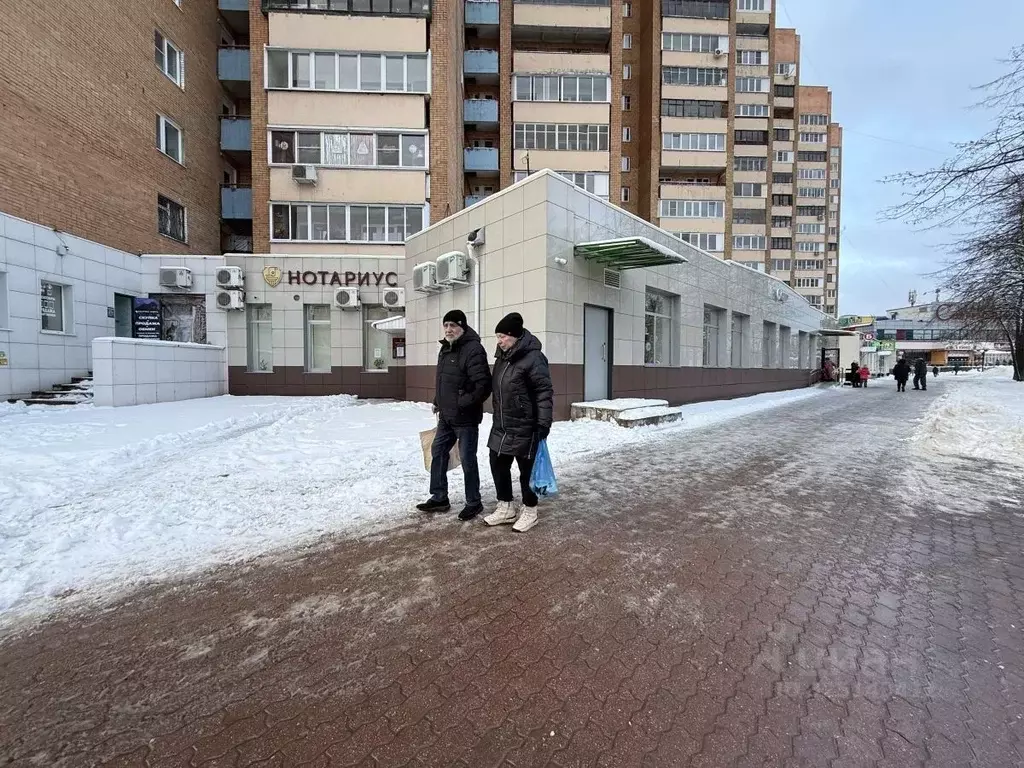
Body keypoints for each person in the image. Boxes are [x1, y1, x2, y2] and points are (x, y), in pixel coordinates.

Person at [416, 309, 492, 520]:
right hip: (447, 417)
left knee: (468, 459)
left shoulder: (473, 349)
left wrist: (461, 403)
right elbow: (444, 380)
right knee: (437, 451)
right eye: (446, 325)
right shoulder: (446, 349)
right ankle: (440, 497)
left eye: (453, 325)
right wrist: (437, 401)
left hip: (466, 418)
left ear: (462, 327)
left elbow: (483, 385)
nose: (449, 329)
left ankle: (474, 502)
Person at [483, 312, 554, 533]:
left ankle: (530, 511)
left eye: (503, 336)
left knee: (527, 471)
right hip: (502, 424)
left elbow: (544, 391)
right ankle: (505, 507)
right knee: (497, 463)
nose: (499, 341)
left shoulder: (533, 358)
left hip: (526, 425)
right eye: (498, 337)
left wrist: (543, 423)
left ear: (514, 336)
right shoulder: (502, 358)